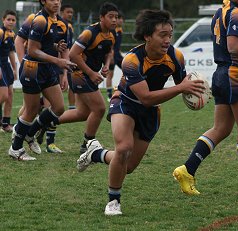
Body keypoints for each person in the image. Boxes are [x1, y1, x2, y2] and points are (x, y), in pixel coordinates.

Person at [75, 9, 205, 215]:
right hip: (125, 103)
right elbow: (145, 97)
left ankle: (96, 153)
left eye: (170, 35)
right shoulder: (132, 61)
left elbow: (182, 85)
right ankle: (113, 201)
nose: (167, 40)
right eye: (162, 35)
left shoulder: (176, 56)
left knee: (128, 166)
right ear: (147, 36)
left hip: (151, 112)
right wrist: (181, 88)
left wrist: (196, 93)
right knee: (124, 148)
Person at [172, 0, 238, 196]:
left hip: (221, 74)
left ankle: (187, 170)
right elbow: (234, 47)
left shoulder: (219, 12)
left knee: (221, 129)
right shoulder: (237, 13)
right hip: (236, 75)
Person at [9, 0, 76, 161]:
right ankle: (16, 148)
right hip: (32, 68)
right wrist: (58, 61)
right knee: (31, 110)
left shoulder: (62, 23)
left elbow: (60, 46)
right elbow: (32, 49)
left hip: (47, 68)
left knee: (59, 107)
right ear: (43, 1)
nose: (57, 2)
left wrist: (57, 52)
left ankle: (30, 133)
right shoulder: (39, 20)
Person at [55, 2, 117, 154]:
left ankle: (45, 122)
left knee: (82, 113)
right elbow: (73, 55)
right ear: (101, 18)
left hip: (87, 74)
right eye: (111, 17)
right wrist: (90, 73)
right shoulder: (89, 33)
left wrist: (106, 65)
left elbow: (109, 53)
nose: (114, 20)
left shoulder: (111, 34)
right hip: (78, 73)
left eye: (116, 17)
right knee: (100, 108)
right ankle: (87, 144)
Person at [0, 10, 17, 133]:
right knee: (3, 95)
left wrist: (15, 68)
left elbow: (11, 52)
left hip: (6, 66)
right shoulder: (0, 32)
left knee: (10, 95)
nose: (11, 22)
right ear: (3, 20)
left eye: (13, 20)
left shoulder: (11, 34)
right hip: (0, 65)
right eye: (8, 19)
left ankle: (5, 123)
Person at [106, 10, 124, 101]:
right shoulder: (112, 30)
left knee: (128, 71)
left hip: (118, 55)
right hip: (113, 56)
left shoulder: (120, 30)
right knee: (110, 75)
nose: (121, 21)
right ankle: (109, 95)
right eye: (119, 19)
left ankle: (123, 90)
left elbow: (117, 45)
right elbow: (111, 45)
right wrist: (111, 56)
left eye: (121, 19)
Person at [60, 3, 76, 109]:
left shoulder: (69, 27)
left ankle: (71, 107)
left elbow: (68, 46)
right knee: (59, 86)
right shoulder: (60, 25)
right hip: (59, 60)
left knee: (71, 84)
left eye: (71, 13)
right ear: (61, 13)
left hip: (67, 59)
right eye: (68, 12)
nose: (70, 14)